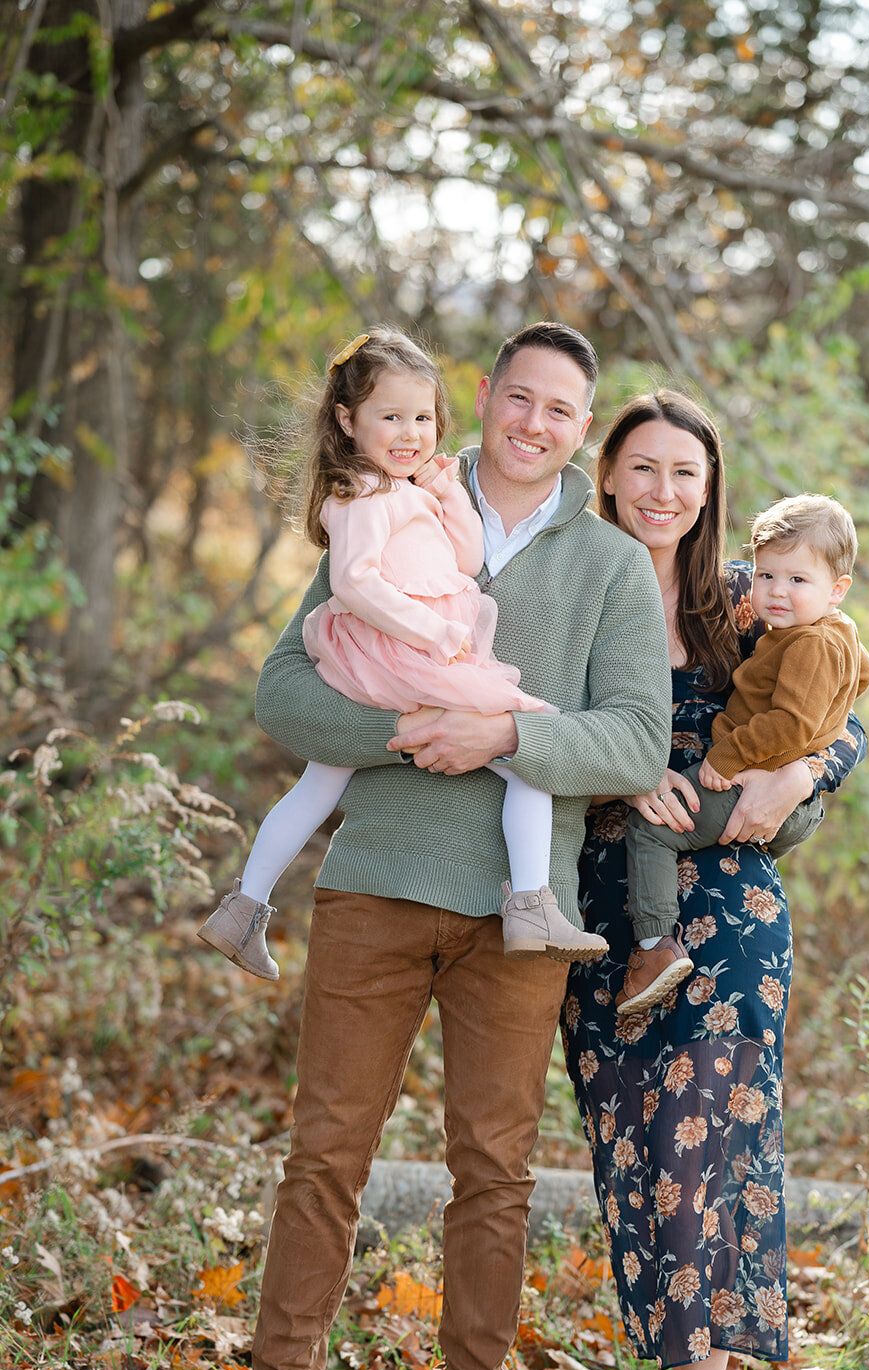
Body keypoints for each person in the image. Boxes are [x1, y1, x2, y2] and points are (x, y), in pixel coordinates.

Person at [218, 324, 672, 1370]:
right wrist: (412, 731)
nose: (534, 423)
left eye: (561, 410)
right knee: (326, 1156)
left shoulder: (614, 565)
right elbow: (285, 687)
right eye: (517, 398)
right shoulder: (390, 495)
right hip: (374, 886)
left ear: (586, 426)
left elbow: (631, 737)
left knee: (496, 1174)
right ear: (483, 397)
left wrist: (507, 732)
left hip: (520, 916)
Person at [561, 391, 867, 1370]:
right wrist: (611, 758)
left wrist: (803, 771)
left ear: (710, 490)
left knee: (715, 1147)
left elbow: (846, 699)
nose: (663, 490)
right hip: (605, 900)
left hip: (730, 910)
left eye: (685, 473)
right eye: (643, 467)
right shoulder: (568, 587)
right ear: (606, 474)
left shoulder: (744, 599)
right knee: (638, 1146)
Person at [197, 327, 606, 980]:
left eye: (422, 417)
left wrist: (447, 499)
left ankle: (243, 908)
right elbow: (354, 581)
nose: (410, 432)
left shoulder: (404, 489)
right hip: (401, 654)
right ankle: (531, 904)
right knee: (530, 743)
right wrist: (433, 634)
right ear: (346, 419)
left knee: (318, 783)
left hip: (399, 653)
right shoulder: (359, 496)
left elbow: (465, 562)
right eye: (391, 417)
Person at [617, 492, 869, 1015]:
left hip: (752, 783)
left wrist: (739, 760)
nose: (777, 591)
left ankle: (652, 948)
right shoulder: (827, 631)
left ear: (837, 590)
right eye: (767, 576)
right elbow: (860, 677)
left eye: (798, 580)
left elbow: (802, 722)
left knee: (650, 831)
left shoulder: (803, 639)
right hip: (762, 799)